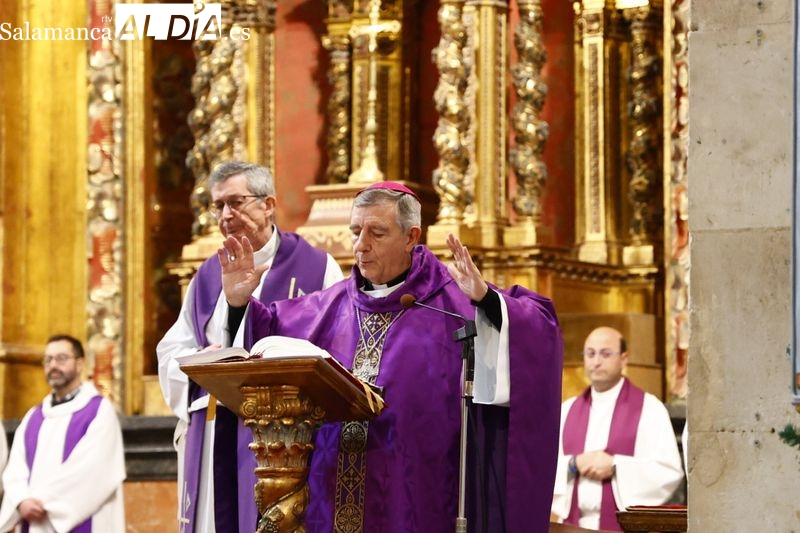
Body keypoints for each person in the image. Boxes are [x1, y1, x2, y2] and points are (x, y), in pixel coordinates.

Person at [218, 181, 564, 533]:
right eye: (355, 231)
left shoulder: (453, 305)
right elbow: (266, 337)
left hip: (416, 502)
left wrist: (487, 302)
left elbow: (539, 329)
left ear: (411, 237)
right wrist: (238, 304)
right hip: (328, 498)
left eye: (377, 233)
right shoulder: (326, 309)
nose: (361, 245)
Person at [156, 160, 344, 532]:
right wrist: (198, 364)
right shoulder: (207, 276)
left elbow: (335, 349)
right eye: (218, 205)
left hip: (289, 437)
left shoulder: (318, 268)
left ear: (268, 204)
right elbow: (172, 350)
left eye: (236, 202)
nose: (225, 215)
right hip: (215, 427)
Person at [551, 326, 684, 531]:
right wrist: (573, 463)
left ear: (624, 358)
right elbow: (541, 467)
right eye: (590, 354)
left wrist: (615, 466)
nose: (596, 361)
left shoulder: (649, 409)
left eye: (605, 354)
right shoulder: (566, 410)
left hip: (623, 527)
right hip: (572, 525)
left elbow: (668, 471)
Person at [0, 334, 126, 532]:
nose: (53, 365)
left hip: (83, 520)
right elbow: (15, 469)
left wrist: (45, 503)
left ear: (80, 363)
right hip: (34, 521)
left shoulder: (98, 411)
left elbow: (94, 470)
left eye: (61, 358)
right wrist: (22, 500)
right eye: (48, 360)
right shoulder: (34, 416)